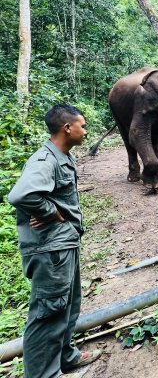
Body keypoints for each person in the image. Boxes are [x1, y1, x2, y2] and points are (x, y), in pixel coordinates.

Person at [8, 104, 102, 378]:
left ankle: (65, 356)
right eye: (82, 126)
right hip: (51, 251)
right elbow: (21, 196)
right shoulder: (45, 161)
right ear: (67, 128)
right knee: (48, 313)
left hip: (63, 245)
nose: (85, 131)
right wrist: (50, 212)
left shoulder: (62, 156)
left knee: (68, 306)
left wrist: (53, 210)